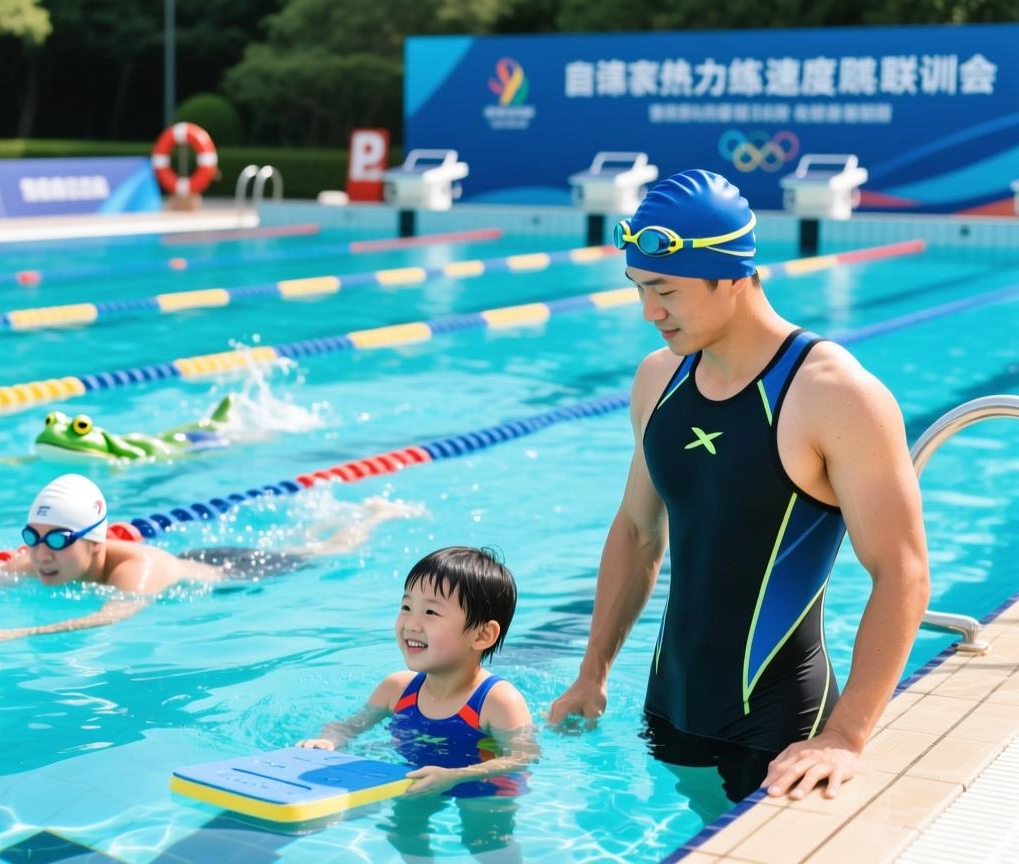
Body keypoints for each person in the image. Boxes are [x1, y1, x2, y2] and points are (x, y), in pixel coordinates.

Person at [548, 169, 930, 808]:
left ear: (731, 275)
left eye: (666, 289)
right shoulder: (658, 379)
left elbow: (903, 572)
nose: (650, 312)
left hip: (782, 729)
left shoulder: (832, 393)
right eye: (639, 289)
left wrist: (845, 736)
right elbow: (640, 532)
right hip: (668, 704)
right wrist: (593, 674)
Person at [0, 473, 422, 644]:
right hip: (193, 554)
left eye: (56, 541)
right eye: (33, 536)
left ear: (94, 543)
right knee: (305, 540)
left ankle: (371, 514)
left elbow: (107, 616)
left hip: (233, 574)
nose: (40, 553)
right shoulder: (38, 558)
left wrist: (11, 635)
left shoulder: (133, 569)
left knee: (321, 552)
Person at [299, 546, 536, 861]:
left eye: (431, 612)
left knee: (484, 841)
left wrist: (455, 776)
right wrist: (328, 741)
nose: (411, 624)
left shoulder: (497, 700)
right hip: (419, 777)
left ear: (481, 635)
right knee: (404, 832)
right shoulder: (397, 689)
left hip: (484, 786)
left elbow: (522, 758)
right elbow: (348, 727)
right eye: (406, 606)